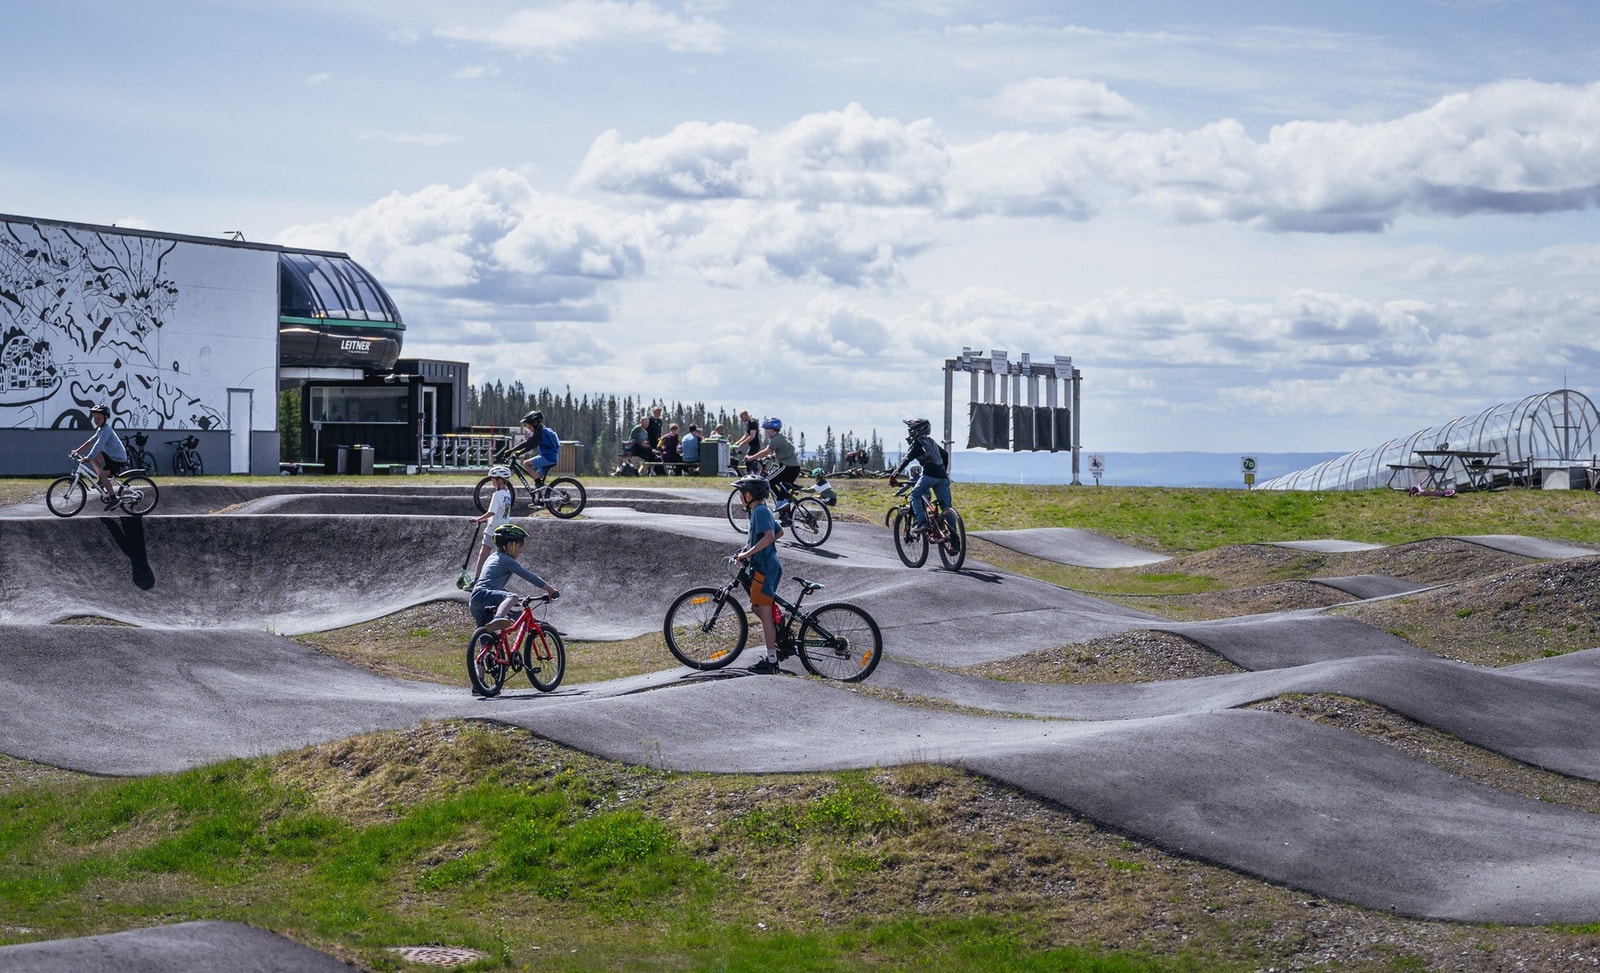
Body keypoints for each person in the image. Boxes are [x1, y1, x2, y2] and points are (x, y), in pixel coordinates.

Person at [732, 474, 783, 673]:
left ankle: (771, 661)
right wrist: (746, 550)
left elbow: (770, 536)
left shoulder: (760, 511)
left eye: (740, 493)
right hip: (764, 566)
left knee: (764, 612)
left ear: (749, 495)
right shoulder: (759, 510)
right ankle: (780, 628)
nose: (738, 498)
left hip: (765, 568)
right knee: (756, 607)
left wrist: (750, 552)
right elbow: (779, 532)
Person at [470, 523, 560, 633]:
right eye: (519, 547)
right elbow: (529, 576)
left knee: (487, 636)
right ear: (509, 546)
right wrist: (550, 590)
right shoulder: (507, 560)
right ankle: (499, 618)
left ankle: (486, 649)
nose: (520, 550)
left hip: (475, 598)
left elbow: (490, 580)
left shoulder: (493, 557)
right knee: (513, 596)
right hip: (484, 594)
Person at [891, 417, 953, 536]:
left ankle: (922, 523)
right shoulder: (931, 442)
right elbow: (945, 454)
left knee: (914, 495)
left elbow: (906, 459)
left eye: (911, 430)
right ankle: (954, 539)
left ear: (916, 431)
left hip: (929, 475)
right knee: (947, 508)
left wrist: (894, 475)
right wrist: (943, 470)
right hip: (943, 477)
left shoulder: (918, 443)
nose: (910, 433)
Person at [745, 417, 802, 522]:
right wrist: (773, 456)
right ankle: (786, 517)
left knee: (767, 481)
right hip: (794, 468)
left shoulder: (775, 440)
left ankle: (781, 501)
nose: (765, 433)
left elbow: (766, 451)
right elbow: (782, 450)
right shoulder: (781, 438)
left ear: (771, 430)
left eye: (765, 430)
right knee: (784, 490)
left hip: (787, 467)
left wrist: (751, 457)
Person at [73, 404, 129, 506]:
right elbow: (91, 441)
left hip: (117, 458)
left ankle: (113, 498)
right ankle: (101, 480)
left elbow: (98, 445)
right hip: (110, 455)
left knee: (102, 474)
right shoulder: (100, 429)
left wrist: (87, 457)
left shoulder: (106, 430)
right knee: (93, 459)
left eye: (99, 418)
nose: (96, 420)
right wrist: (77, 450)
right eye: (94, 418)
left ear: (105, 418)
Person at [469, 465, 513, 576]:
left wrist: (478, 519)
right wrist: (487, 519)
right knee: (498, 557)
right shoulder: (508, 495)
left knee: (483, 555)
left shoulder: (497, 494)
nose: (492, 483)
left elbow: (492, 512)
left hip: (493, 529)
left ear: (500, 481)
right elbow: (500, 512)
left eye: (493, 481)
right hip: (503, 528)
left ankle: (477, 579)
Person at [506, 411, 559, 488]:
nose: (527, 427)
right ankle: (540, 496)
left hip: (547, 458)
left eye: (528, 425)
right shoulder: (541, 430)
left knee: (526, 464)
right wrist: (519, 452)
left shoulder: (540, 434)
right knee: (537, 476)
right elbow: (531, 445)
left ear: (535, 423)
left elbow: (528, 443)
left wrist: (512, 451)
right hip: (550, 457)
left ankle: (538, 483)